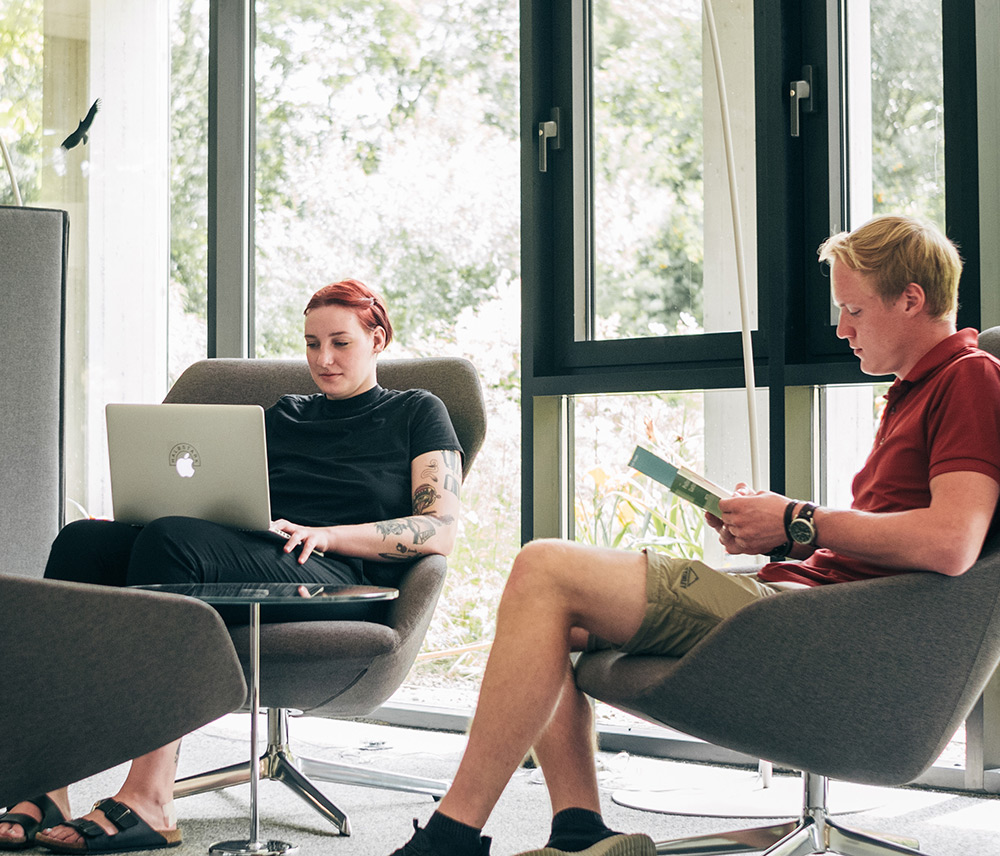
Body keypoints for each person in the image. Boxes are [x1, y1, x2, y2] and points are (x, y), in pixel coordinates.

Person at [386, 215, 1000, 856]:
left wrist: (799, 519)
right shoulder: (915, 389)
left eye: (853, 309)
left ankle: (450, 840)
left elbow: (952, 542)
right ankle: (579, 831)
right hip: (807, 607)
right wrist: (779, 535)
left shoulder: (969, 378)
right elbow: (887, 540)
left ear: (911, 299)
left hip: (813, 626)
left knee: (545, 569)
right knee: (550, 626)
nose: (841, 328)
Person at [0, 279, 464, 854]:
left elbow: (438, 528)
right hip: (261, 550)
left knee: (171, 544)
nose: (323, 359)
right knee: (82, 544)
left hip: (340, 573)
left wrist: (329, 535)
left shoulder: (417, 410)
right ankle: (45, 785)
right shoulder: (286, 413)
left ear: (378, 338)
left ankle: (151, 796)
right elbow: (227, 494)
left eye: (340, 343)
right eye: (311, 343)